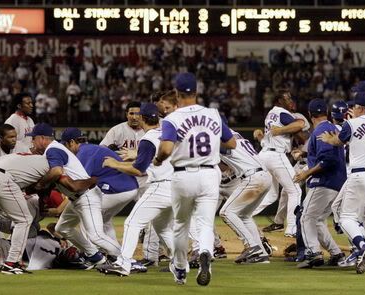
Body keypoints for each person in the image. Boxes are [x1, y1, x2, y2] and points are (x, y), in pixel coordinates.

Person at [154, 72, 236, 286]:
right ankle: (206, 252)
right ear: (197, 92)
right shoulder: (213, 114)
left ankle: (180, 269)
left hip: (183, 174)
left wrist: (158, 159)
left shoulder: (173, 118)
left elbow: (166, 148)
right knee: (206, 224)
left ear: (177, 94)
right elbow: (232, 143)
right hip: (209, 173)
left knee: (181, 224)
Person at [319, 92, 365, 274]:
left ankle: (362, 245)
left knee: (346, 217)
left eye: (354, 107)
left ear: (360, 108)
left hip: (360, 176)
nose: (352, 110)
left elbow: (339, 140)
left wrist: (330, 140)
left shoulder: (351, 123)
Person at [98, 103, 174, 276]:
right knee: (163, 228)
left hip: (160, 185)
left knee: (132, 223)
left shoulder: (148, 139)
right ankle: (179, 263)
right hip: (177, 186)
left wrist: (115, 164)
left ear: (141, 119)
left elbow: (139, 169)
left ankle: (123, 264)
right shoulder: (168, 135)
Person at [28, 123, 114, 264]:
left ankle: (125, 259)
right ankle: (95, 256)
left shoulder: (53, 149)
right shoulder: (54, 149)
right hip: (77, 198)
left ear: (42, 138)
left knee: (96, 235)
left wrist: (40, 184)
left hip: (86, 195)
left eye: (34, 138)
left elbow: (56, 172)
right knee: (63, 228)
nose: (32, 141)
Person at [293, 99, 346, 269]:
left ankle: (313, 253)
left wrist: (305, 173)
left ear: (310, 115)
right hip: (337, 182)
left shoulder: (321, 130)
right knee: (317, 220)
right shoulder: (330, 128)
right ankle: (336, 253)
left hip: (325, 182)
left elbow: (327, 160)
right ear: (327, 112)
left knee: (306, 216)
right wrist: (304, 154)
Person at [63, 127, 138, 244]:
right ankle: (115, 254)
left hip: (119, 189)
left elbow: (80, 184)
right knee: (104, 220)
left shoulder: (83, 153)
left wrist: (61, 205)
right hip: (128, 187)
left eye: (65, 145)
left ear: (72, 142)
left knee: (87, 213)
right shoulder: (90, 149)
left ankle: (92, 254)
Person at [218, 126, 272, 264]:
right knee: (244, 216)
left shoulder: (223, 141)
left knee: (226, 212)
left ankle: (252, 247)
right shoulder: (236, 136)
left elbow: (219, 150)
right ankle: (261, 253)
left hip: (253, 177)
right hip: (264, 176)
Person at [256, 90, 305, 237]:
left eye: (290, 97)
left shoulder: (271, 113)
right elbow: (300, 128)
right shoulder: (282, 113)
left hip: (264, 154)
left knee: (271, 195)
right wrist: (295, 130)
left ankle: (245, 214)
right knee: (295, 190)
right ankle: (291, 228)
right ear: (279, 101)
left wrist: (286, 130)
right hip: (276, 155)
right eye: (286, 98)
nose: (290, 100)